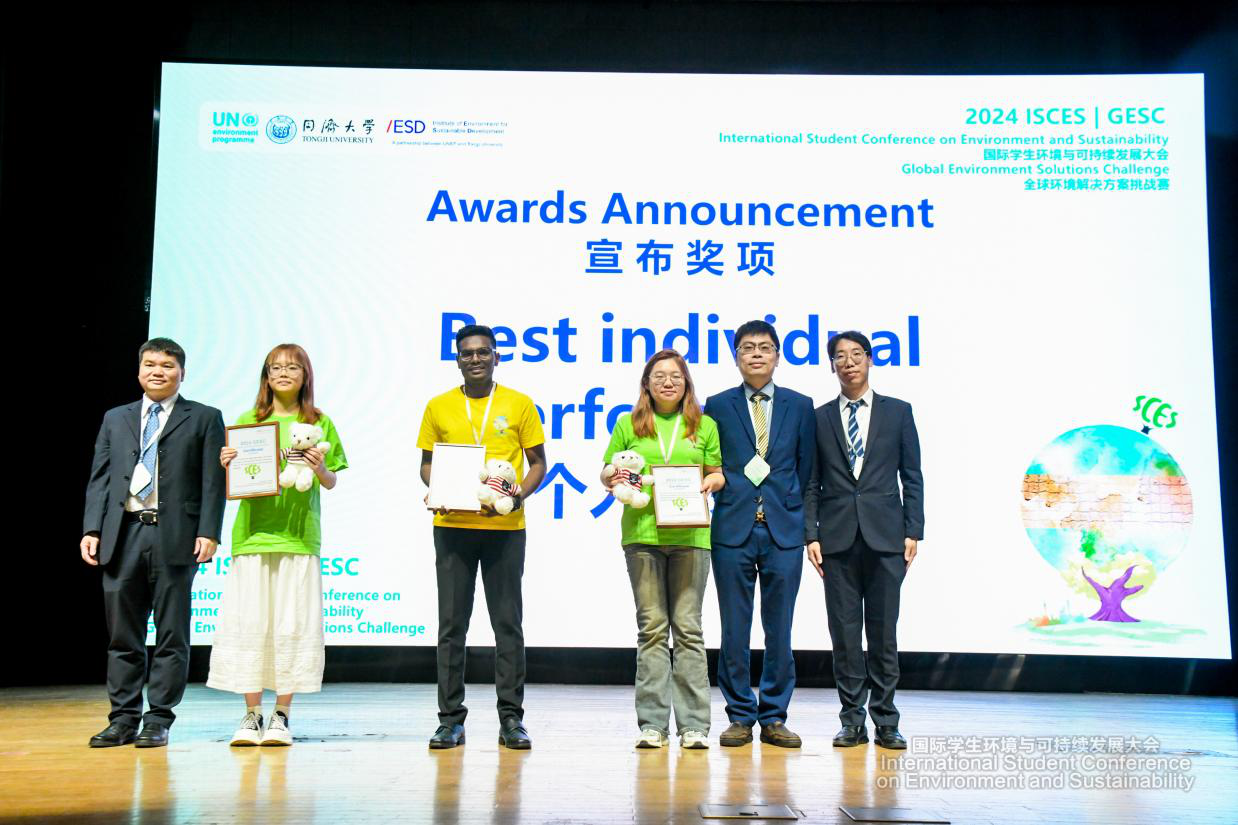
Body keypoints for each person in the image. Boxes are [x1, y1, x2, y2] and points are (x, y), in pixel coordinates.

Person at [81, 337, 226, 748]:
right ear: (139, 370)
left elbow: (212, 482)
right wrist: (92, 529)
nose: (157, 371)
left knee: (171, 634)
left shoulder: (204, 417)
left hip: (174, 535)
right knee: (122, 636)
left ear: (182, 372)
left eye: (166, 365)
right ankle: (122, 719)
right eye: (150, 364)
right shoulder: (116, 418)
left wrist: (209, 531)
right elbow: (100, 478)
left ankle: (158, 719)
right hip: (123, 533)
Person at [210, 344, 348, 746]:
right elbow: (235, 483)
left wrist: (319, 467)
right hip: (252, 534)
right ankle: (251, 714)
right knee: (250, 624)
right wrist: (227, 464)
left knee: (292, 625)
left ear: (305, 375)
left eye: (292, 367)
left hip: (299, 537)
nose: (283, 373)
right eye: (275, 367)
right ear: (266, 377)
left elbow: (331, 481)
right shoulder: (248, 422)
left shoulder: (319, 422)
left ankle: (281, 715)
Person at [417, 324, 547, 750]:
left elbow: (538, 464)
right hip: (452, 527)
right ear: (457, 359)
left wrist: (517, 496)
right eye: (467, 353)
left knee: (507, 626)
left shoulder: (519, 403)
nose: (475, 358)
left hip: (504, 530)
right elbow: (426, 465)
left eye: (483, 352)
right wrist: (438, 489)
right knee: (451, 627)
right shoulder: (438, 406)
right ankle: (450, 721)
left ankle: (511, 720)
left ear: (496, 357)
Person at [804, 331, 923, 750]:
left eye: (856, 354)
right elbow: (812, 481)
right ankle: (851, 720)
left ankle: (887, 721)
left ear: (870, 360)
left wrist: (913, 530)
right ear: (831, 365)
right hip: (835, 539)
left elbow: (912, 475)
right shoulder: (819, 417)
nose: (849, 362)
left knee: (883, 633)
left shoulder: (898, 412)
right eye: (840, 356)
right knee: (845, 635)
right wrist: (811, 533)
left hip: (887, 538)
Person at [602, 348, 724, 750]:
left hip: (692, 538)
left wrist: (712, 482)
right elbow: (607, 470)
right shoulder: (628, 423)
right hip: (643, 537)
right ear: (646, 384)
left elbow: (716, 472)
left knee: (688, 629)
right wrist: (611, 476)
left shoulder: (704, 424)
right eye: (659, 376)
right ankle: (652, 725)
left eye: (675, 376)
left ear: (686, 383)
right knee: (652, 629)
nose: (668, 382)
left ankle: (694, 726)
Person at [703, 320, 815, 748]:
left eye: (764, 348)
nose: (756, 354)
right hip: (733, 529)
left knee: (779, 629)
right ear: (736, 356)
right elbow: (710, 462)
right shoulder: (717, 405)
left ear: (777, 356)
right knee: (734, 628)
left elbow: (807, 471)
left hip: (783, 531)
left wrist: (804, 524)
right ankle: (739, 715)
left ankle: (773, 716)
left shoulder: (800, 405)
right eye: (747, 348)